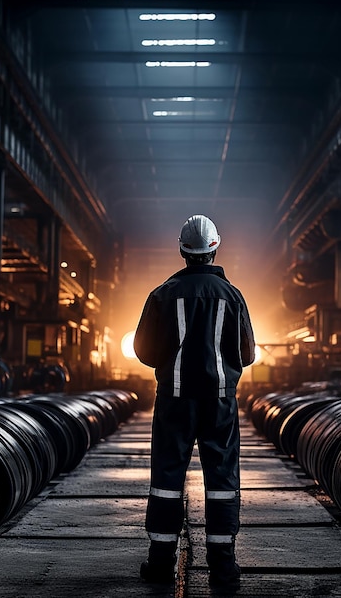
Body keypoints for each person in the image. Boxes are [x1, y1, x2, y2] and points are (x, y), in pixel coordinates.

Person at [134, 214, 256, 588]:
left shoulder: (161, 295)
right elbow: (247, 353)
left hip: (174, 400)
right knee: (221, 478)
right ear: (215, 247)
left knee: (167, 478)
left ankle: (160, 565)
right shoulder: (233, 296)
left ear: (182, 250)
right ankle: (223, 568)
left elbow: (144, 351)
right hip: (219, 401)